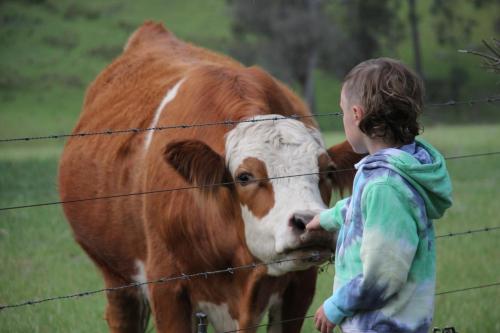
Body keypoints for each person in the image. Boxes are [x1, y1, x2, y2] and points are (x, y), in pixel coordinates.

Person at [306, 58, 453, 333]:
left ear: (357, 114)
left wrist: (337, 305)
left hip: (384, 324)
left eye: (342, 113)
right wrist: (328, 216)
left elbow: (384, 274)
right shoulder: (393, 169)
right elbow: (367, 209)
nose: (343, 120)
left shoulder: (385, 184)